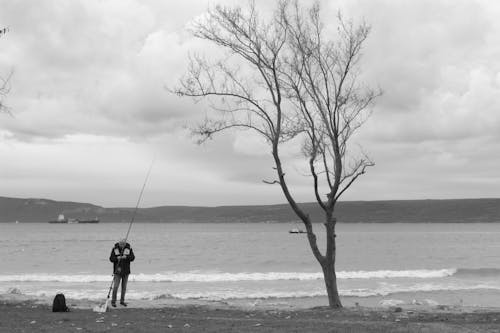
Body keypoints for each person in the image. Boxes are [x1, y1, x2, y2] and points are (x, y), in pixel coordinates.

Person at [109, 238, 135, 307]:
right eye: (121, 244)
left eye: (123, 244)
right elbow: (111, 259)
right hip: (117, 271)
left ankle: (122, 301)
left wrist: (126, 257)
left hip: (126, 271)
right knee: (115, 287)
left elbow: (132, 258)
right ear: (119, 243)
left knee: (124, 287)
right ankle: (113, 301)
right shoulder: (115, 249)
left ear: (125, 244)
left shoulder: (129, 248)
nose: (122, 245)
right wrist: (117, 258)